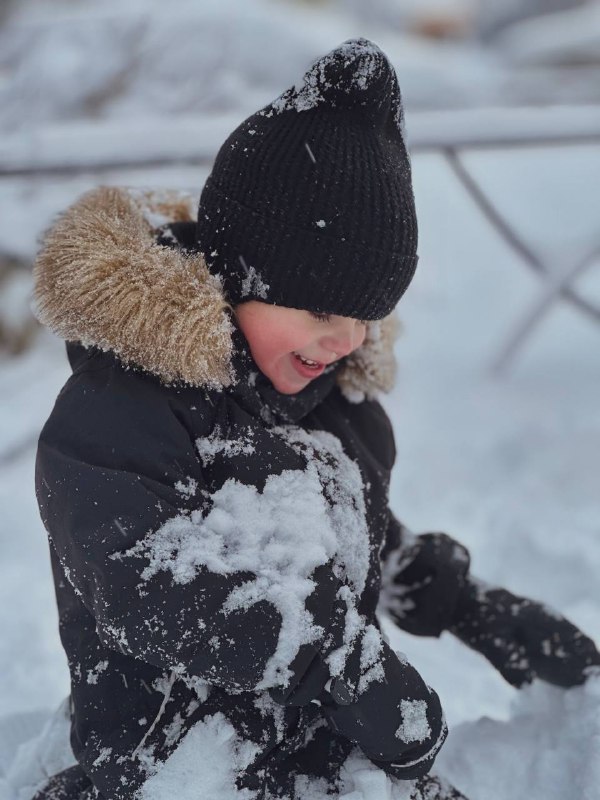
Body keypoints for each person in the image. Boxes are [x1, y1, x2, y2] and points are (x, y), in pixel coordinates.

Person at [32, 39, 599, 800]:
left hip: (326, 761)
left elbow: (355, 540)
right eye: (324, 309)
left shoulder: (333, 410)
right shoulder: (123, 410)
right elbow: (145, 579)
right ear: (238, 277)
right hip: (179, 770)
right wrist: (331, 659)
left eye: (368, 315)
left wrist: (461, 602)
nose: (347, 340)